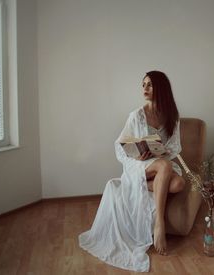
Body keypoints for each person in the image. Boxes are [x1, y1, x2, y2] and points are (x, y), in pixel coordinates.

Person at [79, 71, 185, 272]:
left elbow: (175, 147)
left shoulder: (173, 117)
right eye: (143, 84)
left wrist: (162, 149)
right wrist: (137, 156)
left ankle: (139, 185)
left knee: (179, 183)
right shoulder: (136, 115)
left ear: (161, 89)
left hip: (161, 162)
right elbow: (119, 146)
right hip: (140, 165)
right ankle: (159, 225)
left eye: (150, 85)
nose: (144, 89)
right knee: (164, 166)